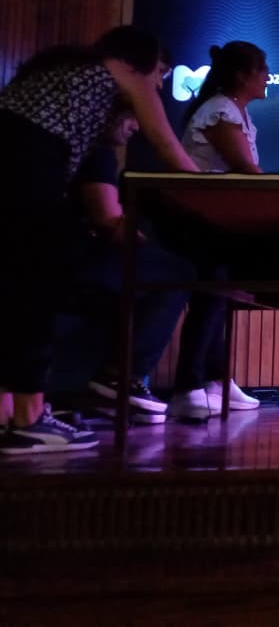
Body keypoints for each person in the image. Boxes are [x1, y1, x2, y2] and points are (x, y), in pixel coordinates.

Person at [0, 26, 199, 455]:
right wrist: (208, 190)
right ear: (135, 62)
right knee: (36, 291)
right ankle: (30, 421)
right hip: (26, 179)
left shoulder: (61, 76)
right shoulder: (113, 75)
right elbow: (165, 142)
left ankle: (13, 417)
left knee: (17, 293)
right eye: (158, 75)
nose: (157, 87)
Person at [73, 99, 196, 425]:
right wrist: (147, 240)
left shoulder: (80, 146)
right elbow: (108, 219)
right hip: (74, 259)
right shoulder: (96, 151)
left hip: (60, 256)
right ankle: (121, 376)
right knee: (178, 271)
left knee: (161, 265)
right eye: (131, 117)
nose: (137, 126)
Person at [165, 41, 267, 421]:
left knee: (218, 294)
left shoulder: (235, 111)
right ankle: (188, 385)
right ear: (242, 75)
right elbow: (244, 167)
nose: (267, 77)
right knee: (211, 294)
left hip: (219, 220)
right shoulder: (221, 109)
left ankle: (214, 379)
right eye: (262, 69)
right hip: (199, 220)